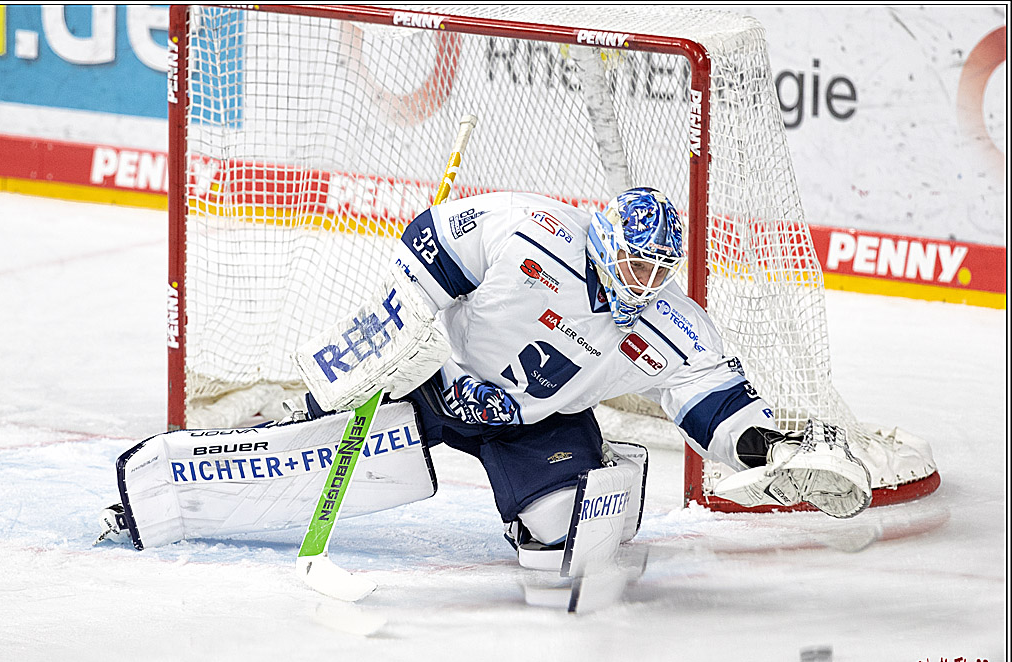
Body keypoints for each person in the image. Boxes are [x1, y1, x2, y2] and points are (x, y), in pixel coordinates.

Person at [98, 188, 872, 570]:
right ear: (604, 239)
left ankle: (558, 493)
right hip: (440, 380)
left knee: (562, 542)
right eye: (637, 260)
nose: (647, 278)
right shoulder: (527, 230)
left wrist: (766, 447)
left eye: (660, 267)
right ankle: (161, 492)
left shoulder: (674, 321)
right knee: (308, 440)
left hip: (542, 422)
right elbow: (429, 240)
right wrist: (408, 323)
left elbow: (716, 406)